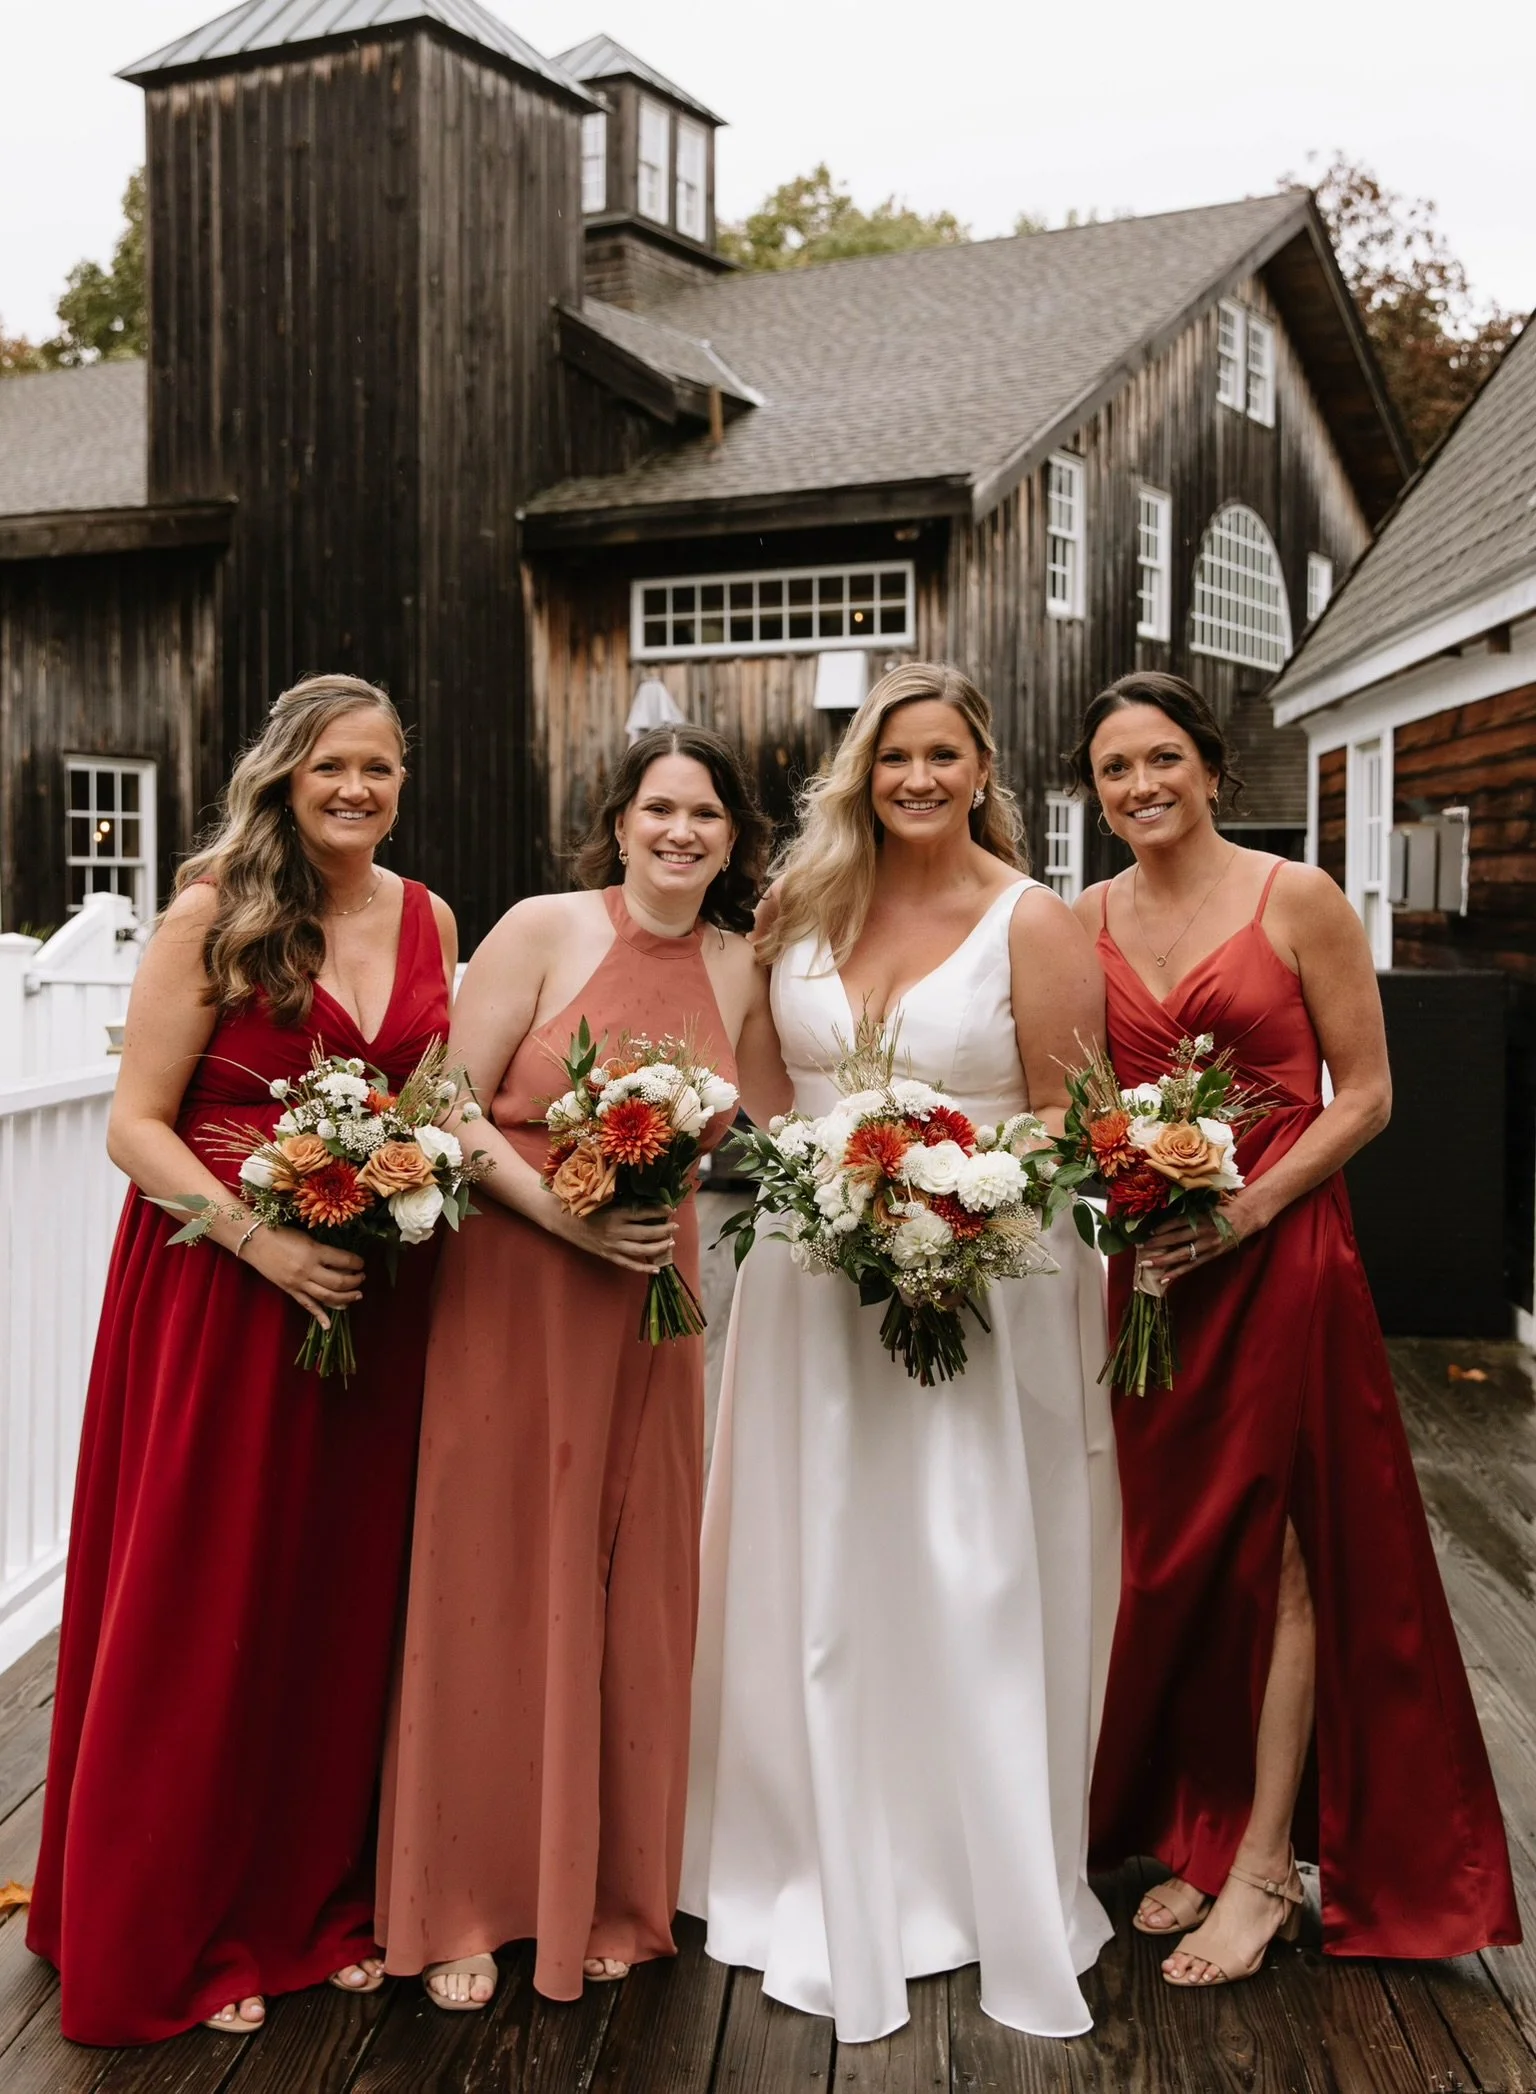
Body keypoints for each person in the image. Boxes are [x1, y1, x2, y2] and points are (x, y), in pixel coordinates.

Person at [682, 662, 1121, 2045]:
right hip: (811, 1290)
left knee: (961, 1565)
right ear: (862, 772)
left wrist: (939, 1199)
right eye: (892, 758)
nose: (917, 778)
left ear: (982, 767)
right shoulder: (797, 908)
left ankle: (962, 1865)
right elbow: (759, 1090)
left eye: (942, 755)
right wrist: (827, 1188)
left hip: (978, 1289)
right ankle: (802, 1841)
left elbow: (1071, 1120)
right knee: (816, 1567)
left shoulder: (1030, 920)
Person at [28, 675, 457, 2044]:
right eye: (333, 765)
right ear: (284, 773)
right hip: (221, 1294)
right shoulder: (216, 911)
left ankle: (306, 1903)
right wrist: (257, 1243)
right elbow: (137, 1126)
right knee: (201, 1602)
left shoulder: (432, 914)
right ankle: (179, 1922)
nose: (356, 790)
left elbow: (437, 1098)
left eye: (379, 769)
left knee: (333, 1609)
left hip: (371, 1305)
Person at [1075, 671, 1519, 1987]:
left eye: (1163, 758)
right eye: (1114, 770)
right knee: (1185, 1546)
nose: (1142, 786)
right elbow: (1070, 1099)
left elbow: (1368, 1093)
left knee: (1288, 1550)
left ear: (1214, 766)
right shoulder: (1082, 917)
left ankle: (1269, 1861)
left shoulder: (1297, 899)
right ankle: (1206, 1827)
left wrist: (1251, 1208)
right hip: (1155, 1262)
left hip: (1281, 1251)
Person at [377, 726, 781, 2010]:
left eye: (705, 816)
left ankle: (611, 1889)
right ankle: (460, 1903)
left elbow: (789, 1113)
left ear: (732, 838)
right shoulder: (544, 927)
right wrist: (566, 1213)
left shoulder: (748, 963)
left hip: (655, 1307)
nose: (680, 833)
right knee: (489, 1572)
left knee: (633, 1583)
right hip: (515, 1285)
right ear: (619, 822)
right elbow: (440, 1100)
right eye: (659, 809)